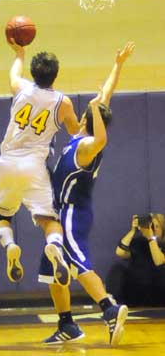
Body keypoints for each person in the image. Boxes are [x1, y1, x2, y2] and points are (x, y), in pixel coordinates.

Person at [39, 42, 135, 346]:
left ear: (89, 121)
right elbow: (105, 95)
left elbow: (102, 136)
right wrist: (117, 65)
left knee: (79, 265)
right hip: (61, 214)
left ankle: (109, 307)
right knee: (53, 271)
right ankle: (66, 323)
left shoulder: (87, 145)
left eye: (88, 112)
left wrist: (95, 111)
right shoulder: (80, 136)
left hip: (70, 214)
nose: (83, 112)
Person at [0, 39, 79, 287]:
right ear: (55, 75)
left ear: (34, 74)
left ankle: (10, 244)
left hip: (7, 162)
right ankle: (54, 246)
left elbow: (14, 72)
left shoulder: (21, 88)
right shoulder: (63, 102)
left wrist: (19, 53)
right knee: (49, 220)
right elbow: (76, 132)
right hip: (35, 166)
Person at [106, 213, 165, 307]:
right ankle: (112, 303)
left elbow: (159, 262)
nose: (152, 229)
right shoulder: (138, 243)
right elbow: (120, 252)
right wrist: (133, 231)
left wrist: (151, 238)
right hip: (136, 291)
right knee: (117, 268)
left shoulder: (163, 245)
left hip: (158, 291)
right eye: (150, 226)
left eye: (156, 226)